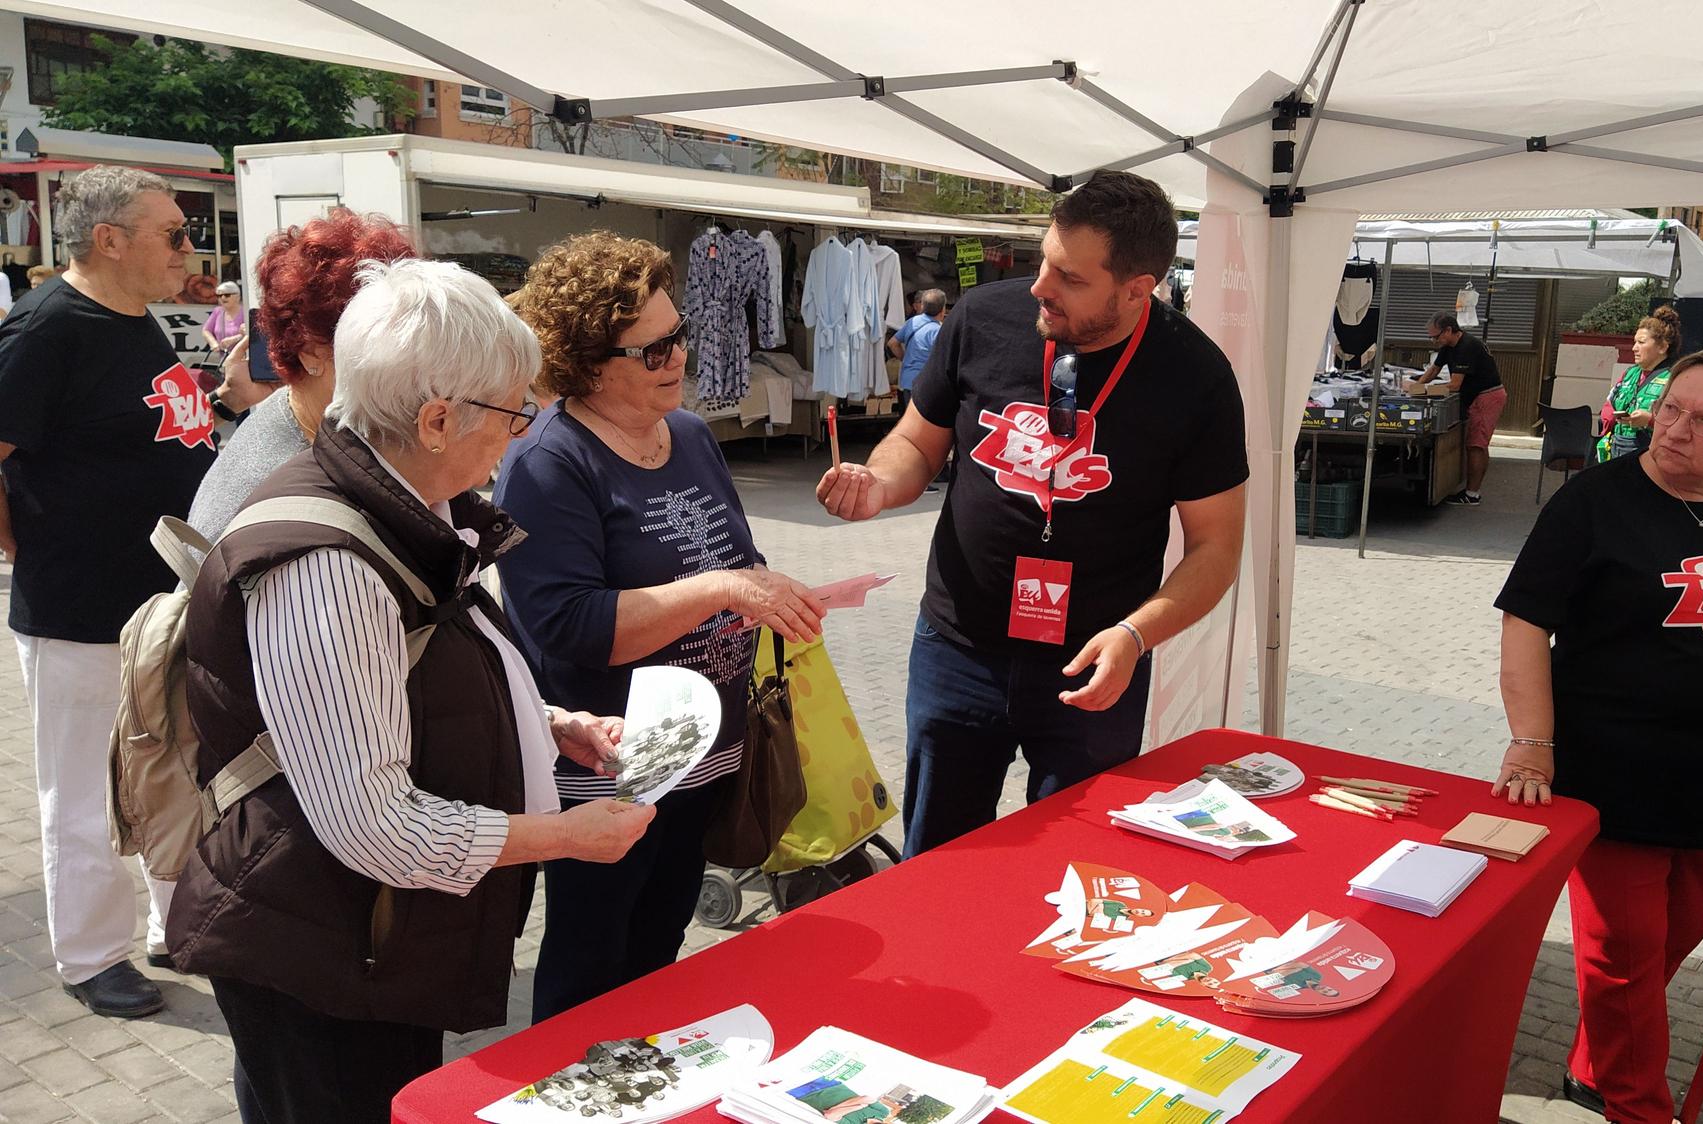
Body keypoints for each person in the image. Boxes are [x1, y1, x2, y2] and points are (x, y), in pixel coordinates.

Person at [165, 257, 655, 1124]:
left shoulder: (407, 505)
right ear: (435, 420)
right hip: (321, 947)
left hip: (364, 934)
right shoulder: (327, 562)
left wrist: (547, 725)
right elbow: (375, 825)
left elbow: (388, 685)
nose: (524, 430)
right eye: (515, 410)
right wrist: (564, 837)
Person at [816, 170, 1248, 856]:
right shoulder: (981, 317)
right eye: (1045, 260)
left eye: (1070, 278)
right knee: (937, 860)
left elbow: (1216, 549)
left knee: (1071, 872)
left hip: (1093, 666)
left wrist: (1135, 637)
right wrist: (877, 483)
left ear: (1138, 287)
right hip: (957, 648)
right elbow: (915, 445)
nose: (1041, 286)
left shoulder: (1196, 377)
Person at [498, 231, 825, 1022]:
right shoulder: (548, 461)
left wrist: (767, 591)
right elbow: (573, 626)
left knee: (657, 952)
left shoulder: (687, 435)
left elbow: (734, 557)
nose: (676, 356)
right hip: (610, 765)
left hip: (703, 755)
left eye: (680, 335)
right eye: (651, 350)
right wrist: (717, 589)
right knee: (588, 963)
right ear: (586, 360)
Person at [1494, 346, 1703, 1124]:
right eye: (1669, 408)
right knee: (1622, 962)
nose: (1673, 430)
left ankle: (1593, 1067)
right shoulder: (1594, 501)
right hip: (1614, 780)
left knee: (1665, 950)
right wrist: (1532, 740)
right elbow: (1528, 620)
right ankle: (1639, 1108)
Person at [0, 165, 215, 1018]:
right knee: (84, 790)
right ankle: (91, 957)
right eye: (173, 232)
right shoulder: (44, 331)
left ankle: (179, 925)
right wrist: (24, 543)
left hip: (158, 605)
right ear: (110, 240)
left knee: (169, 772)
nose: (188, 248)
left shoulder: (137, 322)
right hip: (80, 610)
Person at [186, 210, 415, 543]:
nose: (411, 361)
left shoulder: (317, 425)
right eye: (382, 341)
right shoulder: (286, 481)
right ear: (310, 352)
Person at [1414, 311, 1506, 504]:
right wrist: (1416, 387)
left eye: (1436, 336)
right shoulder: (1448, 346)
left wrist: (1425, 391)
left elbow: (1454, 384)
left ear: (1448, 330)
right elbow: (1434, 369)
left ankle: (1472, 494)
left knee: (1476, 445)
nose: (1433, 341)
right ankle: (1471, 488)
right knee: (1474, 443)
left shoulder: (1467, 346)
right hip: (1475, 395)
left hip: (1486, 397)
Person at [1596, 305, 1680, 463]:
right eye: (1635, 342)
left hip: (1650, 453)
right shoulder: (1630, 373)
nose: (1634, 348)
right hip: (1616, 447)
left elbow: (1680, 421)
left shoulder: (1674, 378)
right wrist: (1611, 415)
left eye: (1641, 342)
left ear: (1662, 347)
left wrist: (1650, 420)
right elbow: (1610, 401)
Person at [889, 287, 945, 407]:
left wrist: (905, 358)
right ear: (942, 310)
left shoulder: (912, 322)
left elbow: (892, 343)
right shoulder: (938, 330)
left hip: (908, 381)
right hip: (927, 385)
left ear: (923, 307)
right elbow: (943, 359)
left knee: (910, 420)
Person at [202, 279, 246, 351]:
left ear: (237, 296)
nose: (222, 298)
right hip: (224, 358)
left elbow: (252, 334)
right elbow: (206, 330)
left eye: (227, 295)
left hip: (243, 358)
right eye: (219, 296)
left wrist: (235, 339)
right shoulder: (218, 311)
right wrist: (213, 343)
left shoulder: (245, 312)